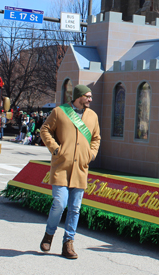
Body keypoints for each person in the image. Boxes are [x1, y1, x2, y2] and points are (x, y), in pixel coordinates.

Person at [39, 84, 101, 259]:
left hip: (81, 168)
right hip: (61, 167)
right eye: (87, 96)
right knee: (59, 203)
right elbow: (45, 130)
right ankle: (49, 235)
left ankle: (68, 243)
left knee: (75, 208)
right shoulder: (60, 112)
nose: (90, 99)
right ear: (79, 97)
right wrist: (55, 148)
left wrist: (92, 153)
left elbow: (96, 137)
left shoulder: (93, 116)